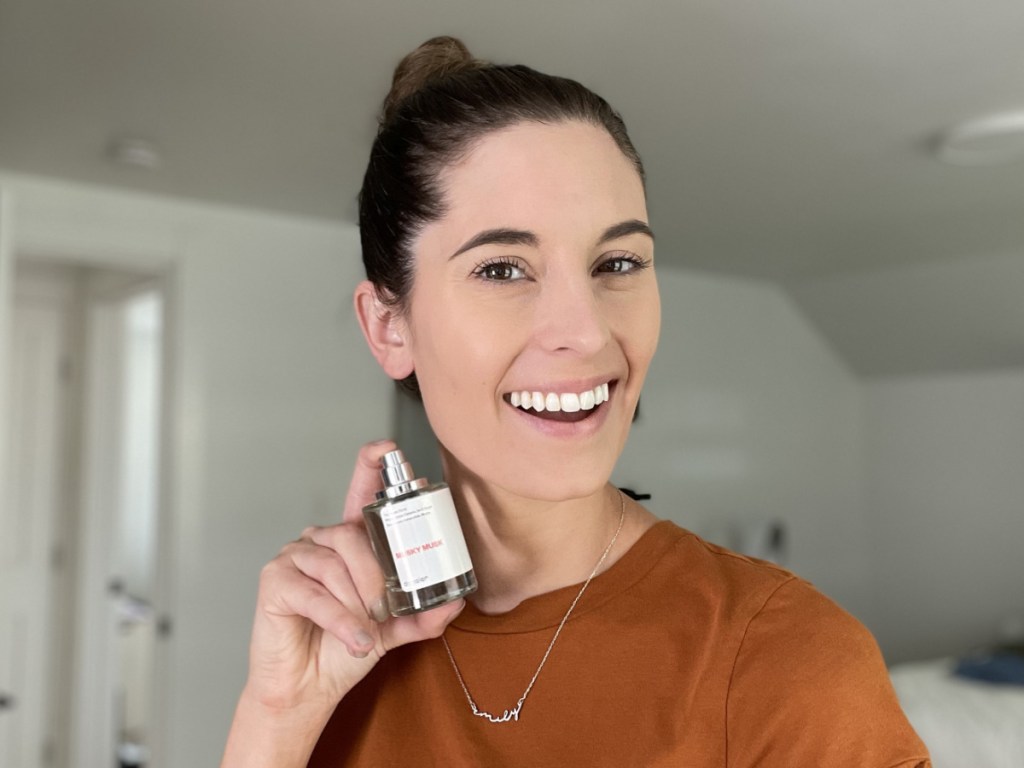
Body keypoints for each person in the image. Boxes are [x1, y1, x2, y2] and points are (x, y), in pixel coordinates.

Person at [222, 36, 931, 767]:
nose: (587, 331)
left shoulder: (791, 663)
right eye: (503, 268)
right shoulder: (333, 668)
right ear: (389, 327)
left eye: (617, 262)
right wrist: (277, 714)